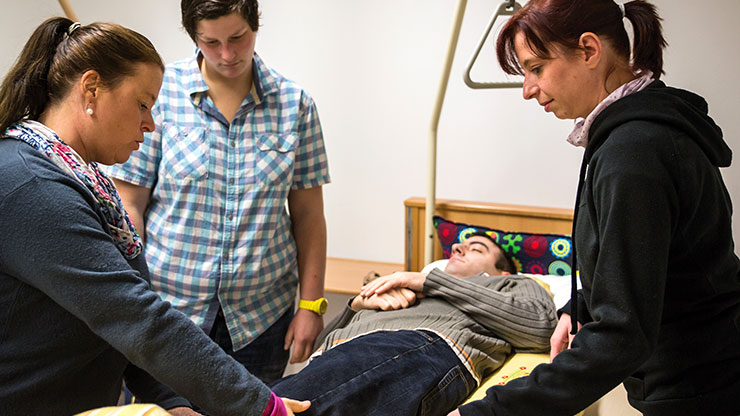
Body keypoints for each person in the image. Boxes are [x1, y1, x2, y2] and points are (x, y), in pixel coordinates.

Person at [0, 17, 309, 416]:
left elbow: (112, 321)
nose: (149, 123)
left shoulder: (79, 178)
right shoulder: (31, 186)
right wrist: (262, 407)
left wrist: (170, 401)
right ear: (91, 88)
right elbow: (132, 315)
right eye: (142, 104)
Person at [450, 1, 740, 415]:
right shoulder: (632, 134)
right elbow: (646, 263)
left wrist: (483, 412)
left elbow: (622, 336)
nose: (528, 90)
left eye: (536, 68)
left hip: (701, 388)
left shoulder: (635, 154)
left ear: (588, 51)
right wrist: (579, 307)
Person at [105, 0, 330, 383]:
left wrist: (311, 305)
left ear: (255, 25)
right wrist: (132, 301)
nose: (227, 55)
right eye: (211, 42)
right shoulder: (161, 96)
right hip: (168, 311)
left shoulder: (295, 105)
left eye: (238, 38)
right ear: (194, 36)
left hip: (261, 318)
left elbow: (309, 216)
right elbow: (129, 206)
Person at [270, 232, 559, 416]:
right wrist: (355, 306)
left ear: (500, 270)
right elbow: (322, 351)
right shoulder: (401, 285)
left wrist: (429, 281)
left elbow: (540, 327)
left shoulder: (511, 283)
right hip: (343, 356)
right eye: (460, 243)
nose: (458, 247)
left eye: (477, 249)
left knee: (266, 403)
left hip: (422, 347)